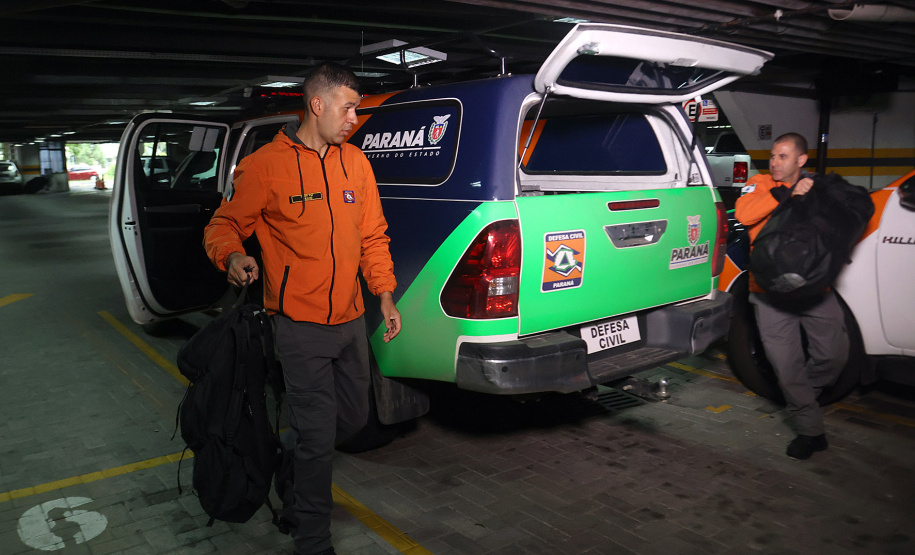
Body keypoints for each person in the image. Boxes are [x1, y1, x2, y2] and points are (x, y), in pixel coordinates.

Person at [203, 62, 401, 555]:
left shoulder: (355, 163)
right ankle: (311, 539)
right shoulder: (266, 166)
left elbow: (373, 236)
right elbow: (223, 224)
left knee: (351, 422)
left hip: (352, 321)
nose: (355, 117)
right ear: (317, 104)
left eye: (357, 107)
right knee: (318, 440)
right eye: (348, 107)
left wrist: (385, 294)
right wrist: (233, 256)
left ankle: (287, 455)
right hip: (298, 327)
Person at [735, 132, 848, 460]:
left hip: (814, 289)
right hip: (768, 293)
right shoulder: (760, 184)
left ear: (801, 160)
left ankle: (799, 394)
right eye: (773, 156)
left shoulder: (818, 187)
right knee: (787, 366)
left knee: (834, 355)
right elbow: (743, 214)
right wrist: (785, 192)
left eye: (783, 157)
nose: (774, 162)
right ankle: (811, 430)